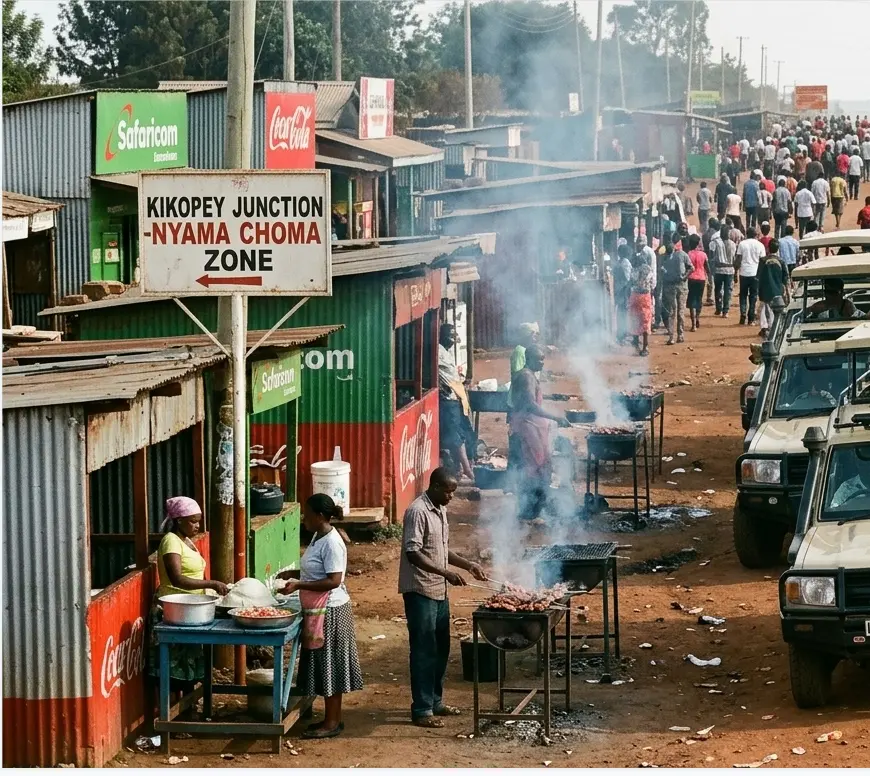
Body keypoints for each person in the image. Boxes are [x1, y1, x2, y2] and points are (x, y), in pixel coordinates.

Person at [399, 469, 487, 729]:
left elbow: (441, 549)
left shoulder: (440, 509)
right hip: (421, 590)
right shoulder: (418, 511)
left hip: (440, 591)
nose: (451, 496)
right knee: (424, 650)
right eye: (448, 491)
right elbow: (413, 552)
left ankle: (436, 701)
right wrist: (446, 573)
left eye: (453, 492)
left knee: (441, 648)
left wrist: (467, 564)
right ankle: (422, 709)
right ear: (435, 487)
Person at [279, 494, 362, 739]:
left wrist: (298, 585)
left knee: (331, 666)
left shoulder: (332, 542)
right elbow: (316, 569)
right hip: (319, 609)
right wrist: (293, 573)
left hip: (332, 611)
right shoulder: (318, 536)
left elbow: (334, 580)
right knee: (323, 664)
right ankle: (329, 718)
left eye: (307, 513)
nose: (304, 518)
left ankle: (332, 722)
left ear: (320, 516)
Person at [148, 497, 229, 688]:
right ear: (178, 521)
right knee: (175, 668)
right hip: (173, 610)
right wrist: (212, 583)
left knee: (190, 666)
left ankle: (189, 706)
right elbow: (176, 578)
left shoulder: (186, 541)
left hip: (190, 610)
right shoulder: (171, 541)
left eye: (199, 521)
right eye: (193, 521)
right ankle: (177, 711)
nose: (197, 526)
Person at [508, 346, 569, 519]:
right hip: (528, 427)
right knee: (534, 468)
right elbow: (530, 405)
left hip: (530, 426)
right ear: (529, 358)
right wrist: (556, 418)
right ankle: (529, 511)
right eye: (539, 359)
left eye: (543, 359)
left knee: (538, 467)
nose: (542, 362)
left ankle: (535, 509)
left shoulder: (527, 375)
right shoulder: (527, 376)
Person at [437, 324, 475, 483]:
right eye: (450, 336)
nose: (453, 340)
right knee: (454, 436)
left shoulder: (446, 352)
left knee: (462, 432)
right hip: (448, 399)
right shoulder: (438, 351)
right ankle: (465, 468)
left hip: (456, 397)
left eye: (454, 336)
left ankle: (462, 467)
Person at [660, 238, 693, 345]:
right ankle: (675, 336)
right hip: (674, 286)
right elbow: (691, 268)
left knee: (677, 312)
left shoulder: (681, 255)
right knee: (676, 311)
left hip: (679, 286)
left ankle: (677, 335)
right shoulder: (667, 258)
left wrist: (684, 277)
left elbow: (691, 268)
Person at [757, 239, 790, 339]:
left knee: (765, 308)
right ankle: (775, 330)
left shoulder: (763, 261)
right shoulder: (781, 261)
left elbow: (758, 276)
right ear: (778, 249)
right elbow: (786, 278)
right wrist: (787, 291)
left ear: (768, 248)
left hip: (765, 289)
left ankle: (765, 328)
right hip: (778, 290)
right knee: (776, 310)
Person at [735, 227, 765, 326]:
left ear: (747, 234)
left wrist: (735, 271)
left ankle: (743, 315)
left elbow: (738, 259)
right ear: (756, 235)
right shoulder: (760, 245)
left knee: (743, 295)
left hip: (744, 273)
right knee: (753, 296)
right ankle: (751, 318)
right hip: (755, 274)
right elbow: (762, 262)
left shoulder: (742, 244)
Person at [628, 248, 654, 357]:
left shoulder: (633, 270)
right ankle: (645, 347)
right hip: (645, 297)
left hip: (635, 296)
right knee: (645, 321)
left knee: (635, 319)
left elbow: (630, 282)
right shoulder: (648, 270)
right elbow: (652, 284)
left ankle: (635, 342)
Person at [708, 225, 736, 317]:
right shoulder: (733, 244)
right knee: (728, 290)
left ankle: (718, 309)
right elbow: (734, 258)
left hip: (718, 270)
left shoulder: (714, 243)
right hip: (730, 270)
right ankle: (725, 311)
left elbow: (711, 256)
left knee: (718, 289)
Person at [685, 234, 709, 332]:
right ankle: (697, 317)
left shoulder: (688, 254)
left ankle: (693, 324)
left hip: (691, 279)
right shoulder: (703, 254)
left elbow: (686, 267)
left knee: (691, 300)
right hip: (701, 279)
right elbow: (707, 267)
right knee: (699, 299)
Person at [613, 243, 634, 344]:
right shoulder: (626, 263)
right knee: (624, 314)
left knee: (620, 313)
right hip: (624, 291)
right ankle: (623, 336)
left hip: (618, 291)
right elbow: (628, 278)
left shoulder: (618, 262)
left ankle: (621, 335)